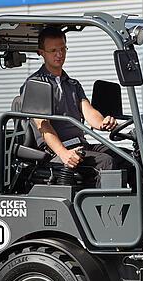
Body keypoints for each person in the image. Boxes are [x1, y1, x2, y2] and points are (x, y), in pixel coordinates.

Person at [21, 26, 124, 174]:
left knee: (127, 157)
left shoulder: (72, 84)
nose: (59, 54)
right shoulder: (35, 85)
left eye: (63, 49)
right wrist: (63, 153)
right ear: (41, 53)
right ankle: (107, 198)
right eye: (53, 51)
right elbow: (43, 125)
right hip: (56, 151)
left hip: (80, 144)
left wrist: (103, 123)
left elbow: (89, 112)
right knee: (106, 162)